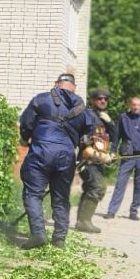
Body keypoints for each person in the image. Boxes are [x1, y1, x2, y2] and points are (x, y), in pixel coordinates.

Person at [17, 73, 96, 248]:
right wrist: (83, 153)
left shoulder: (42, 99)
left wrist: (25, 138)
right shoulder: (84, 110)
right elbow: (87, 138)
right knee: (61, 198)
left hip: (41, 152)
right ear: (73, 87)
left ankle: (38, 234)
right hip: (66, 156)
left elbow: (26, 123)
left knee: (33, 193)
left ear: (57, 84)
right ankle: (59, 238)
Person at [104, 95, 140, 221]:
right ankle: (111, 211)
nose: (136, 107)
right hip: (128, 155)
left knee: (139, 185)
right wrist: (112, 151)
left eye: (138, 105)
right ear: (130, 106)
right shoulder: (123, 118)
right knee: (120, 183)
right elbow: (117, 137)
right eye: (134, 105)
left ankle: (134, 211)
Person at [74, 89, 114, 234]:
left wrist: (110, 123)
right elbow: (84, 137)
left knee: (91, 188)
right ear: (92, 100)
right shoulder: (88, 115)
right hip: (88, 160)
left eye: (105, 99)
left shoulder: (103, 117)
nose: (103, 101)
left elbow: (112, 137)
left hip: (99, 159)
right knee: (98, 187)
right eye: (99, 98)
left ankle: (82, 221)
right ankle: (84, 221)